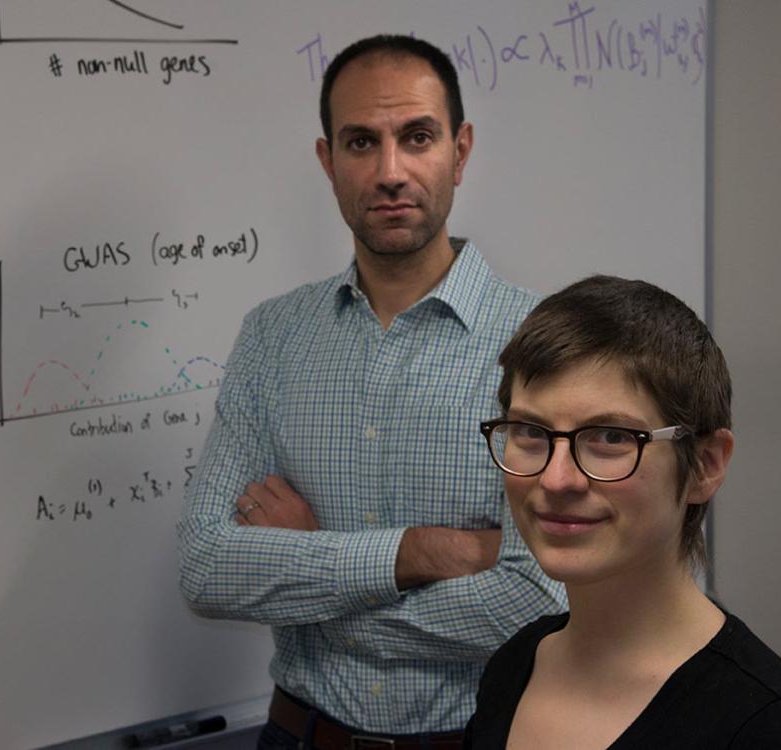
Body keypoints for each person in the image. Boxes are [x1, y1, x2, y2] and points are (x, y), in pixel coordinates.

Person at [177, 35, 565, 746]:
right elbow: (206, 566)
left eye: (416, 137)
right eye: (361, 143)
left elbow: (539, 598)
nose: (390, 171)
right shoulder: (272, 336)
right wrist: (420, 551)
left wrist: (314, 572)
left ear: (460, 149)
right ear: (328, 161)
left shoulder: (546, 344)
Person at [464, 275, 781, 748]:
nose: (556, 479)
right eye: (530, 431)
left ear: (705, 466)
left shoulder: (758, 721)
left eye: (611, 438)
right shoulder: (514, 665)